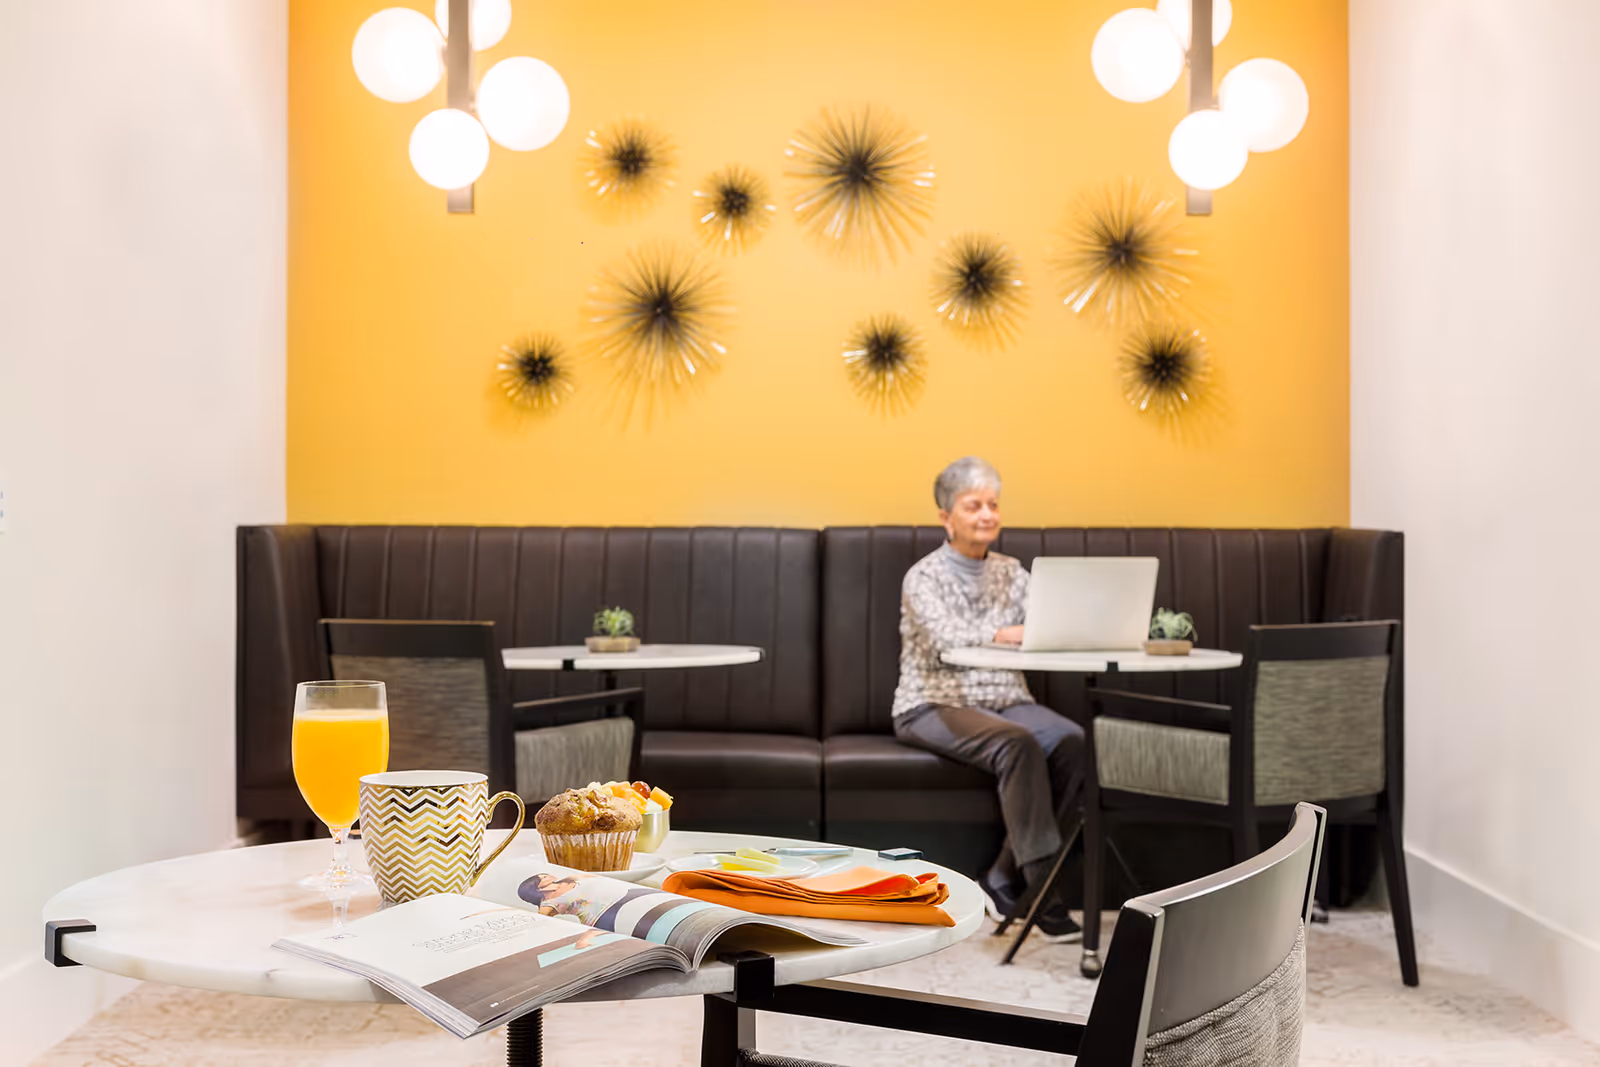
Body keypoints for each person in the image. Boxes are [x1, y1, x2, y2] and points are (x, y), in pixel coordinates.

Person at [891, 456, 1085, 941]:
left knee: (1073, 741)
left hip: (1005, 696)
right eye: (973, 504)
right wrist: (1009, 632)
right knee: (1016, 744)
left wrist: (1038, 631)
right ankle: (1043, 892)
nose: (987, 515)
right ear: (945, 516)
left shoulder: (1013, 573)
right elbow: (948, 640)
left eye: (993, 504)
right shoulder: (923, 577)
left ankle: (1002, 877)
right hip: (932, 702)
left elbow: (1049, 625)